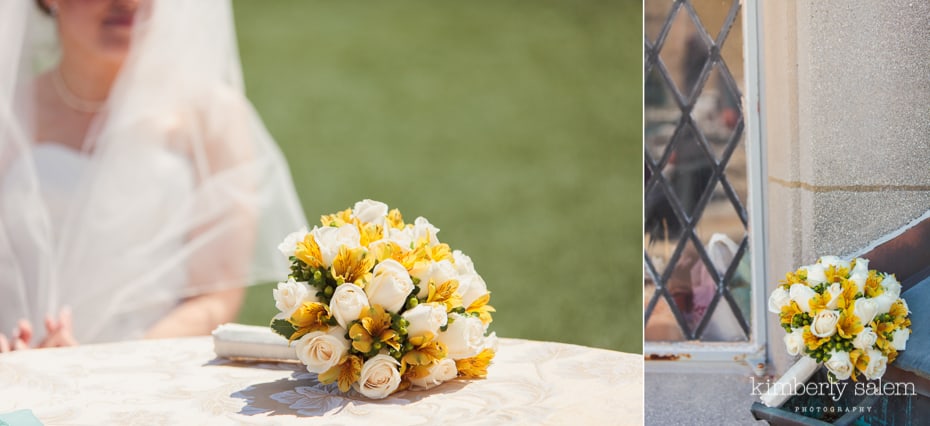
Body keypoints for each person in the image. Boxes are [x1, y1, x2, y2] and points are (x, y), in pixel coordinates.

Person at [0, 0, 306, 350]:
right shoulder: (7, 114)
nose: (129, 2)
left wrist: (100, 365)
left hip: (144, 372)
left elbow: (216, 298)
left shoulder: (213, 117)